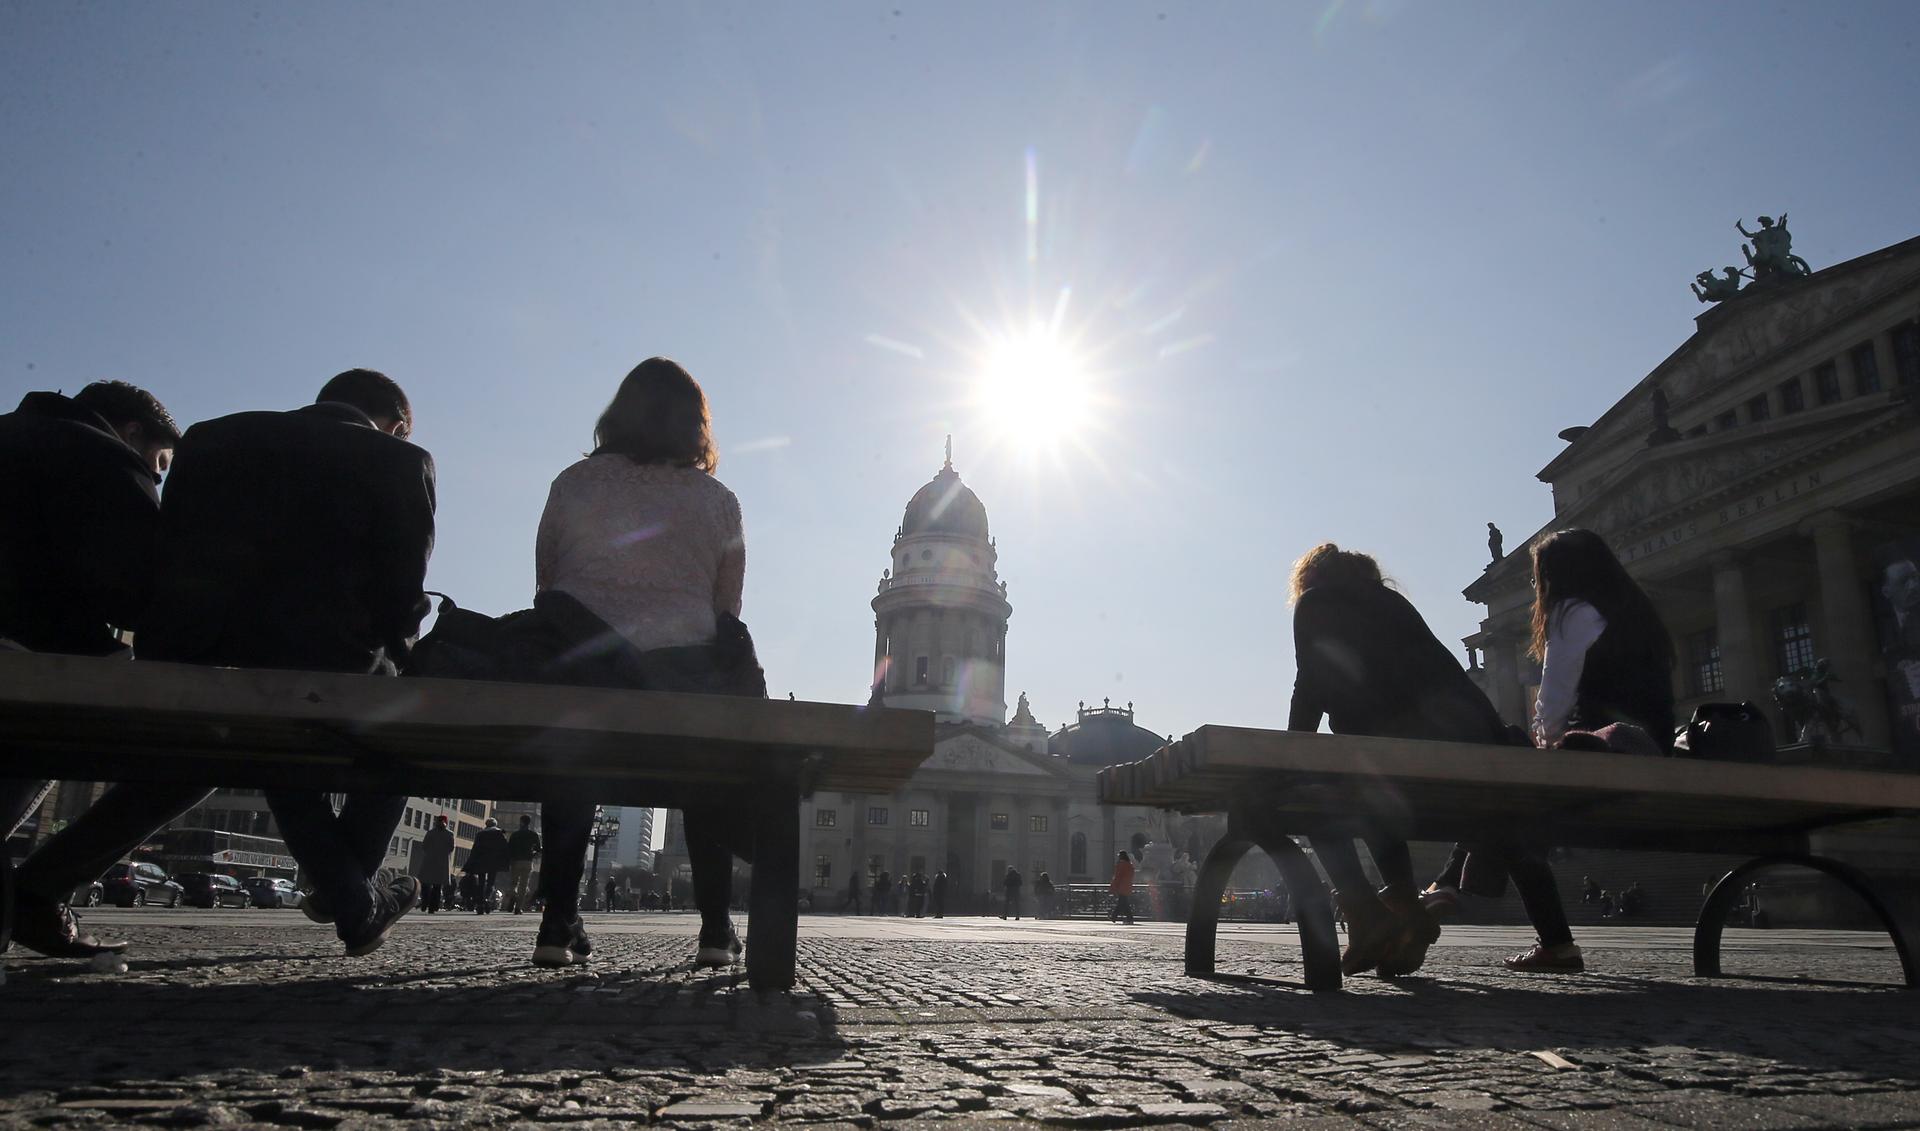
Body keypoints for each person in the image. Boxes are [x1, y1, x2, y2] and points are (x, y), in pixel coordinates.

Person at [136, 369, 432, 957]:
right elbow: (403, 591)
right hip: (330, 656)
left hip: (203, 654)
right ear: (396, 424)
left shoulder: (212, 437)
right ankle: (348, 892)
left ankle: (345, 888)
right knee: (410, 745)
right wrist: (404, 658)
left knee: (274, 735)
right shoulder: (401, 461)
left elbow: (168, 554)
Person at [530, 358, 760, 970]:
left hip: (580, 677)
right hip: (679, 683)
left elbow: (546, 586)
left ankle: (556, 924)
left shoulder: (571, 483)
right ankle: (714, 930)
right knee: (704, 765)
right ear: (695, 428)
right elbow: (725, 611)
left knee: (572, 755)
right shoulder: (719, 501)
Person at [0, 381, 186, 958]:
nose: (154, 476)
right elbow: (134, 592)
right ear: (131, 431)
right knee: (193, 757)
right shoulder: (100, 457)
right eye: (157, 464)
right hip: (32, 658)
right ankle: (38, 890)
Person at [1285, 543, 1509, 976]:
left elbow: (1309, 683)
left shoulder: (1317, 601)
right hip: (1471, 761)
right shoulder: (1392, 604)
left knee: (1304, 795)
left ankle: (1364, 909)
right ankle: (1404, 910)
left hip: (1406, 758)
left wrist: (1289, 754)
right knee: (1372, 789)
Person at [466, 818, 509, 915]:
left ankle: (480, 902)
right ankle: (487, 898)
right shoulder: (499, 833)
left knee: (481, 883)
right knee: (491, 882)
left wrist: (471, 863)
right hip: (494, 862)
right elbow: (504, 848)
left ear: (486, 824)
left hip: (481, 861)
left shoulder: (480, 834)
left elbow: (475, 849)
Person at [414, 815, 455, 914]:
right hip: (442, 862)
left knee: (426, 884)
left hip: (430, 860)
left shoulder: (431, 833)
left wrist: (430, 852)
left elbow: (424, 846)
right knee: (437, 886)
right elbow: (451, 848)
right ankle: (433, 906)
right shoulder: (449, 834)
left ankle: (425, 903)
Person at [505, 815, 541, 914]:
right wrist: (533, 854)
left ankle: (513, 895)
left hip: (515, 861)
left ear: (521, 822)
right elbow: (538, 849)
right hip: (528, 861)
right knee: (523, 885)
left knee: (513, 883)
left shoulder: (515, 835)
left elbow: (509, 849)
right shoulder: (533, 835)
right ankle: (518, 907)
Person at [1109, 851, 1136, 925]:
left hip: (1121, 886)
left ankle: (1114, 916)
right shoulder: (1130, 865)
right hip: (1127, 886)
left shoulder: (1121, 864)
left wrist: (1113, 886)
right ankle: (1126, 918)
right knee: (1124, 903)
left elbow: (1118, 876)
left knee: (1122, 903)